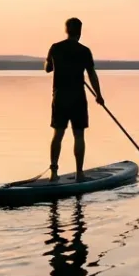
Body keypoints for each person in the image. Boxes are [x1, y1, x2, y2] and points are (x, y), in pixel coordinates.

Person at [44, 17, 104, 181]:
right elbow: (92, 74)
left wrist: (53, 63)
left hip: (60, 97)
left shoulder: (55, 48)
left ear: (66, 30)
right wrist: (99, 95)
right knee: (79, 135)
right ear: (79, 31)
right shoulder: (84, 51)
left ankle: (54, 174)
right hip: (77, 98)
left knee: (58, 134)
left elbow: (47, 68)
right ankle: (79, 173)